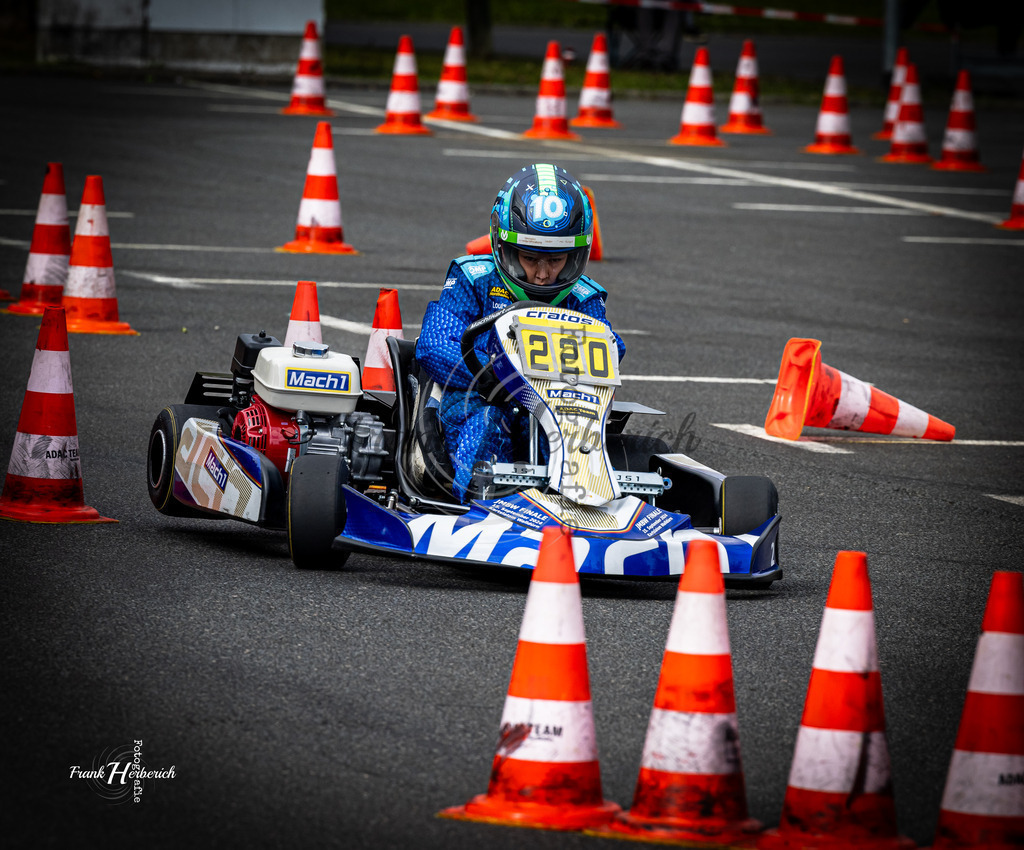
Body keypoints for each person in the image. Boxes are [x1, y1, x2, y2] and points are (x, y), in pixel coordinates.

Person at [415, 163, 626, 501]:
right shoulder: (474, 278)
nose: (543, 274)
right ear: (506, 245)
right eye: (530, 258)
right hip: (478, 400)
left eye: (557, 260)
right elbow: (435, 344)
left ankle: (583, 505)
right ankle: (478, 503)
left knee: (575, 439)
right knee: (487, 424)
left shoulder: (584, 297)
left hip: (557, 413)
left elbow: (610, 350)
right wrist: (495, 371)